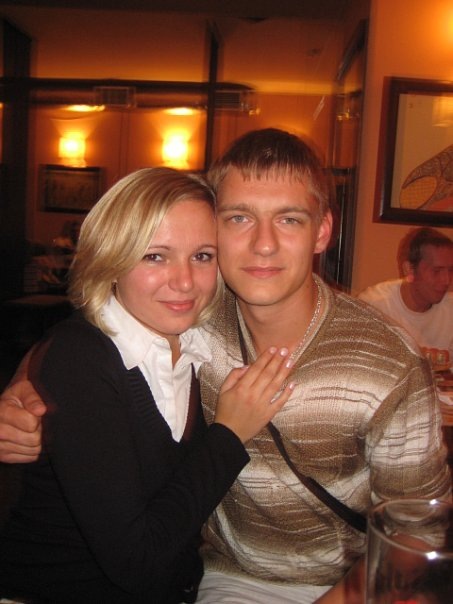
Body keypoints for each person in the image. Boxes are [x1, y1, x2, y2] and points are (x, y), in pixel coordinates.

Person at [0, 129, 451, 604]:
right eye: (239, 218)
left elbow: (418, 526)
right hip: (226, 577)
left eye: (289, 219)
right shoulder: (193, 317)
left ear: (322, 232)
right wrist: (24, 388)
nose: (263, 244)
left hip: (348, 582)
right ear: (215, 228)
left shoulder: (388, 361)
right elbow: (95, 338)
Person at [0, 166, 295, 603]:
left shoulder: (199, 338)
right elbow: (136, 562)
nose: (184, 281)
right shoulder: (82, 357)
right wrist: (230, 434)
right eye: (155, 256)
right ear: (111, 259)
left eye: (203, 256)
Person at [358, 226, 453, 363]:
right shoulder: (374, 306)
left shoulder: (450, 308)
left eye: (451, 270)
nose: (446, 280)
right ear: (409, 269)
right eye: (436, 271)